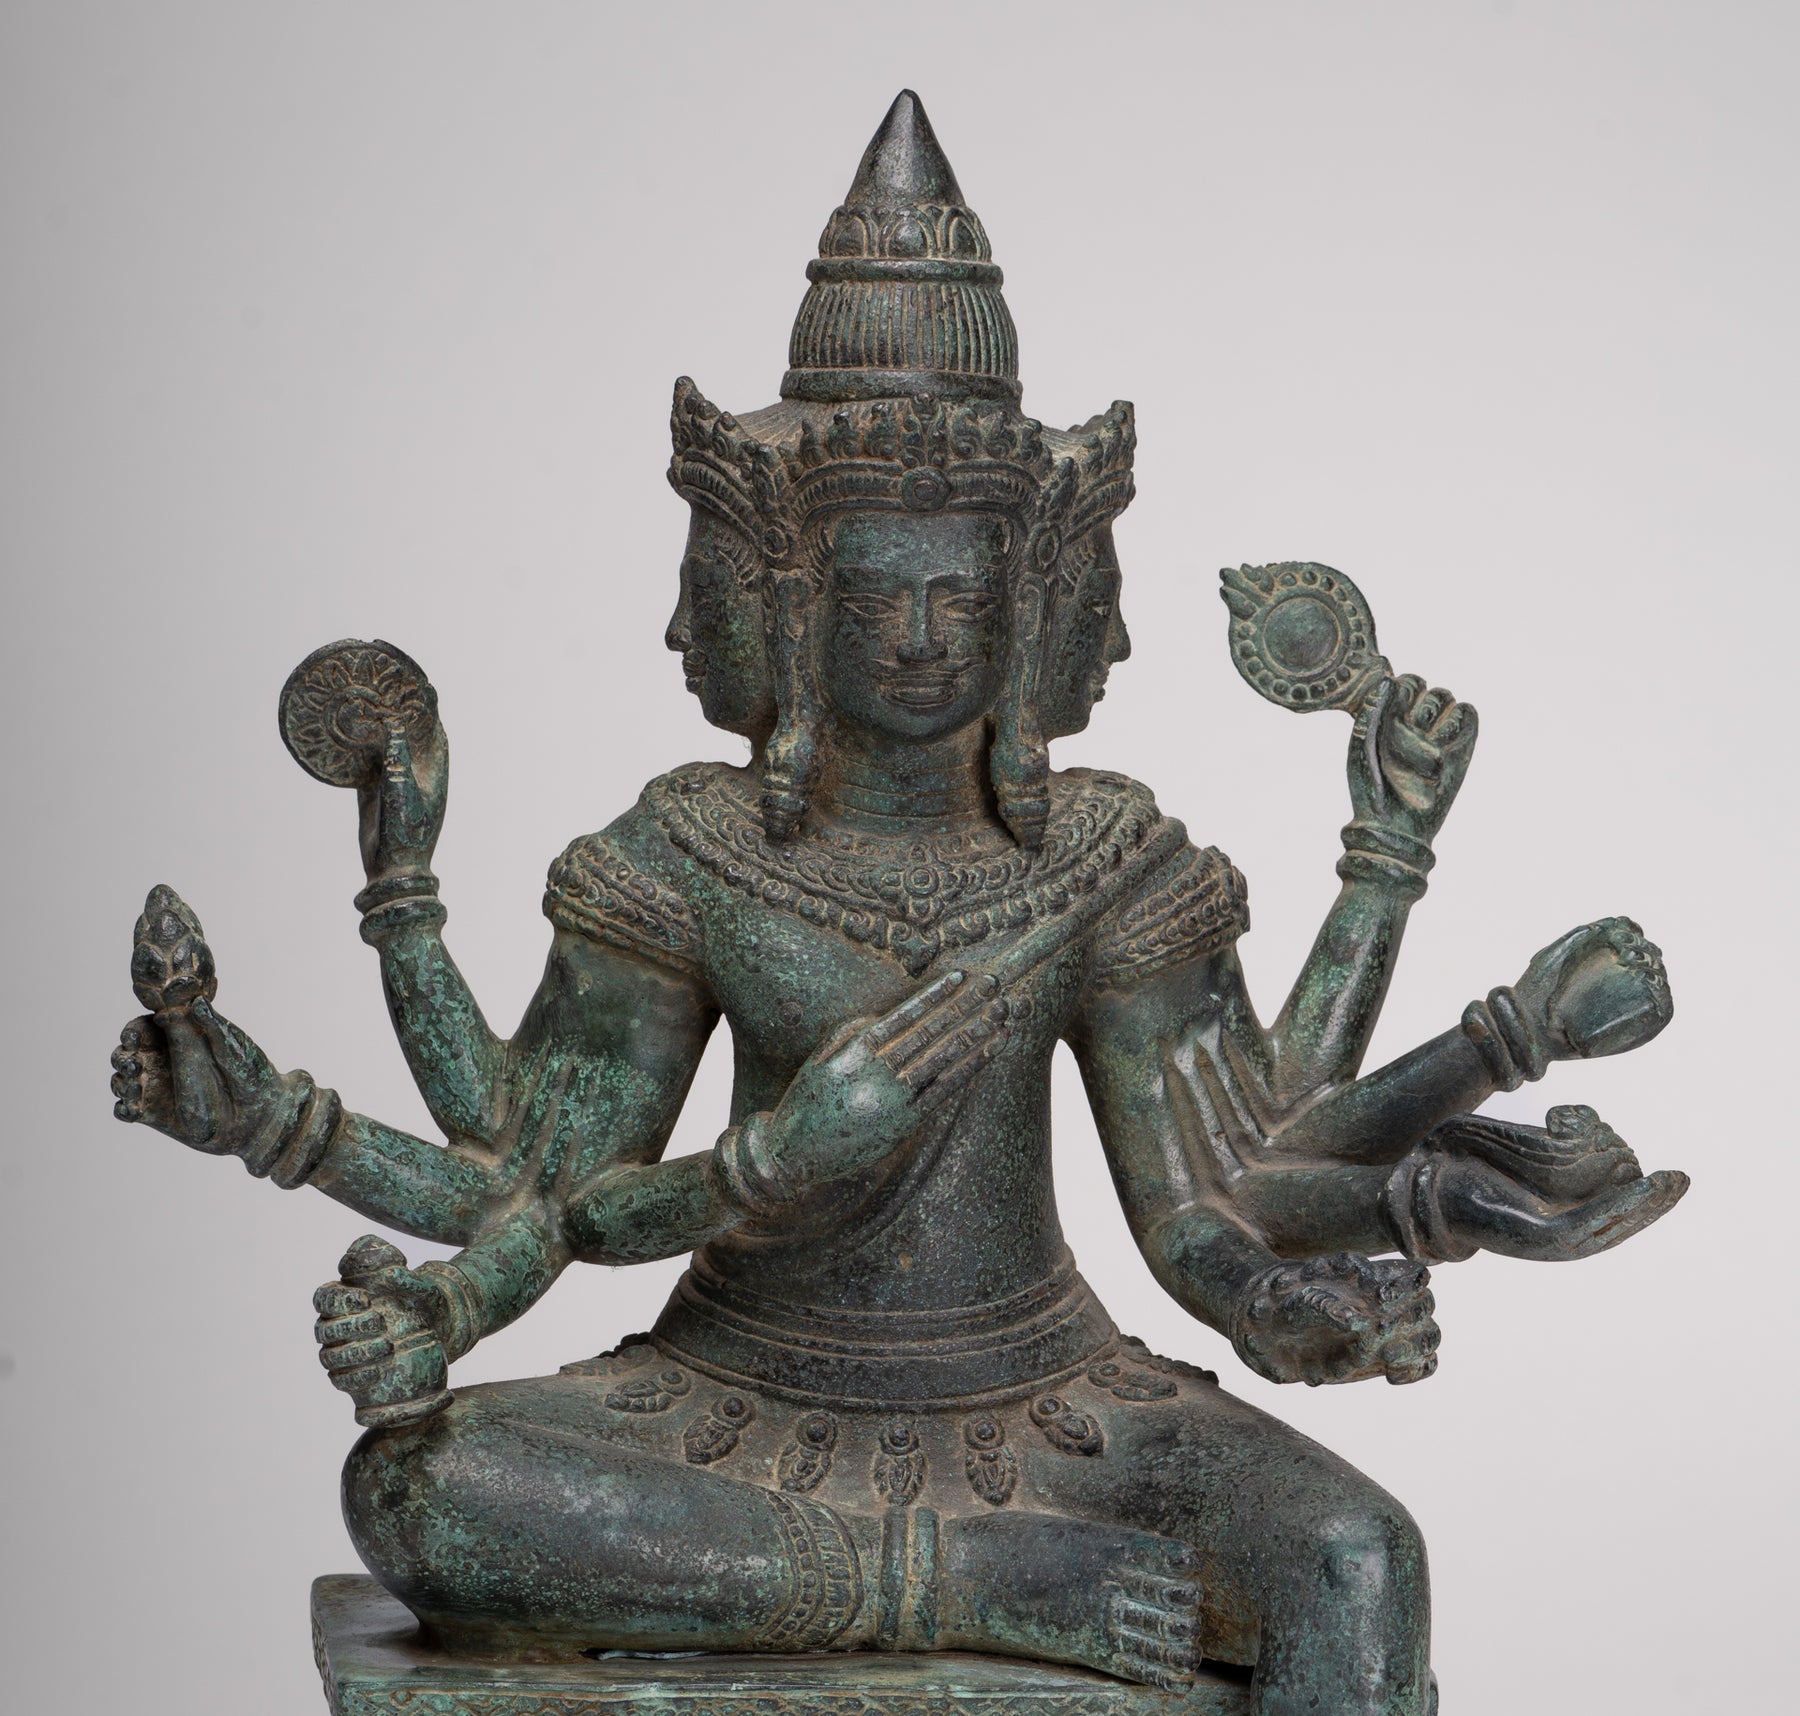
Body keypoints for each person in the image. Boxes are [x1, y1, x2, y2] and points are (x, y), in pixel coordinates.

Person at [109, 93, 1681, 1716]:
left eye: (964, 596)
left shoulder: (1101, 856)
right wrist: (281, 1111)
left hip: (1055, 1413)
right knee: (421, 1492)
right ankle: (958, 1581)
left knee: (1358, 1559)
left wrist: (1283, 1297)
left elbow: (1208, 1200)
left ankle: (955, 1564)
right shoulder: (697, 852)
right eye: (876, 598)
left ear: (1035, 608)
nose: (925, 639)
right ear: (785, 608)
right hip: (735, 1407)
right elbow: (545, 1185)